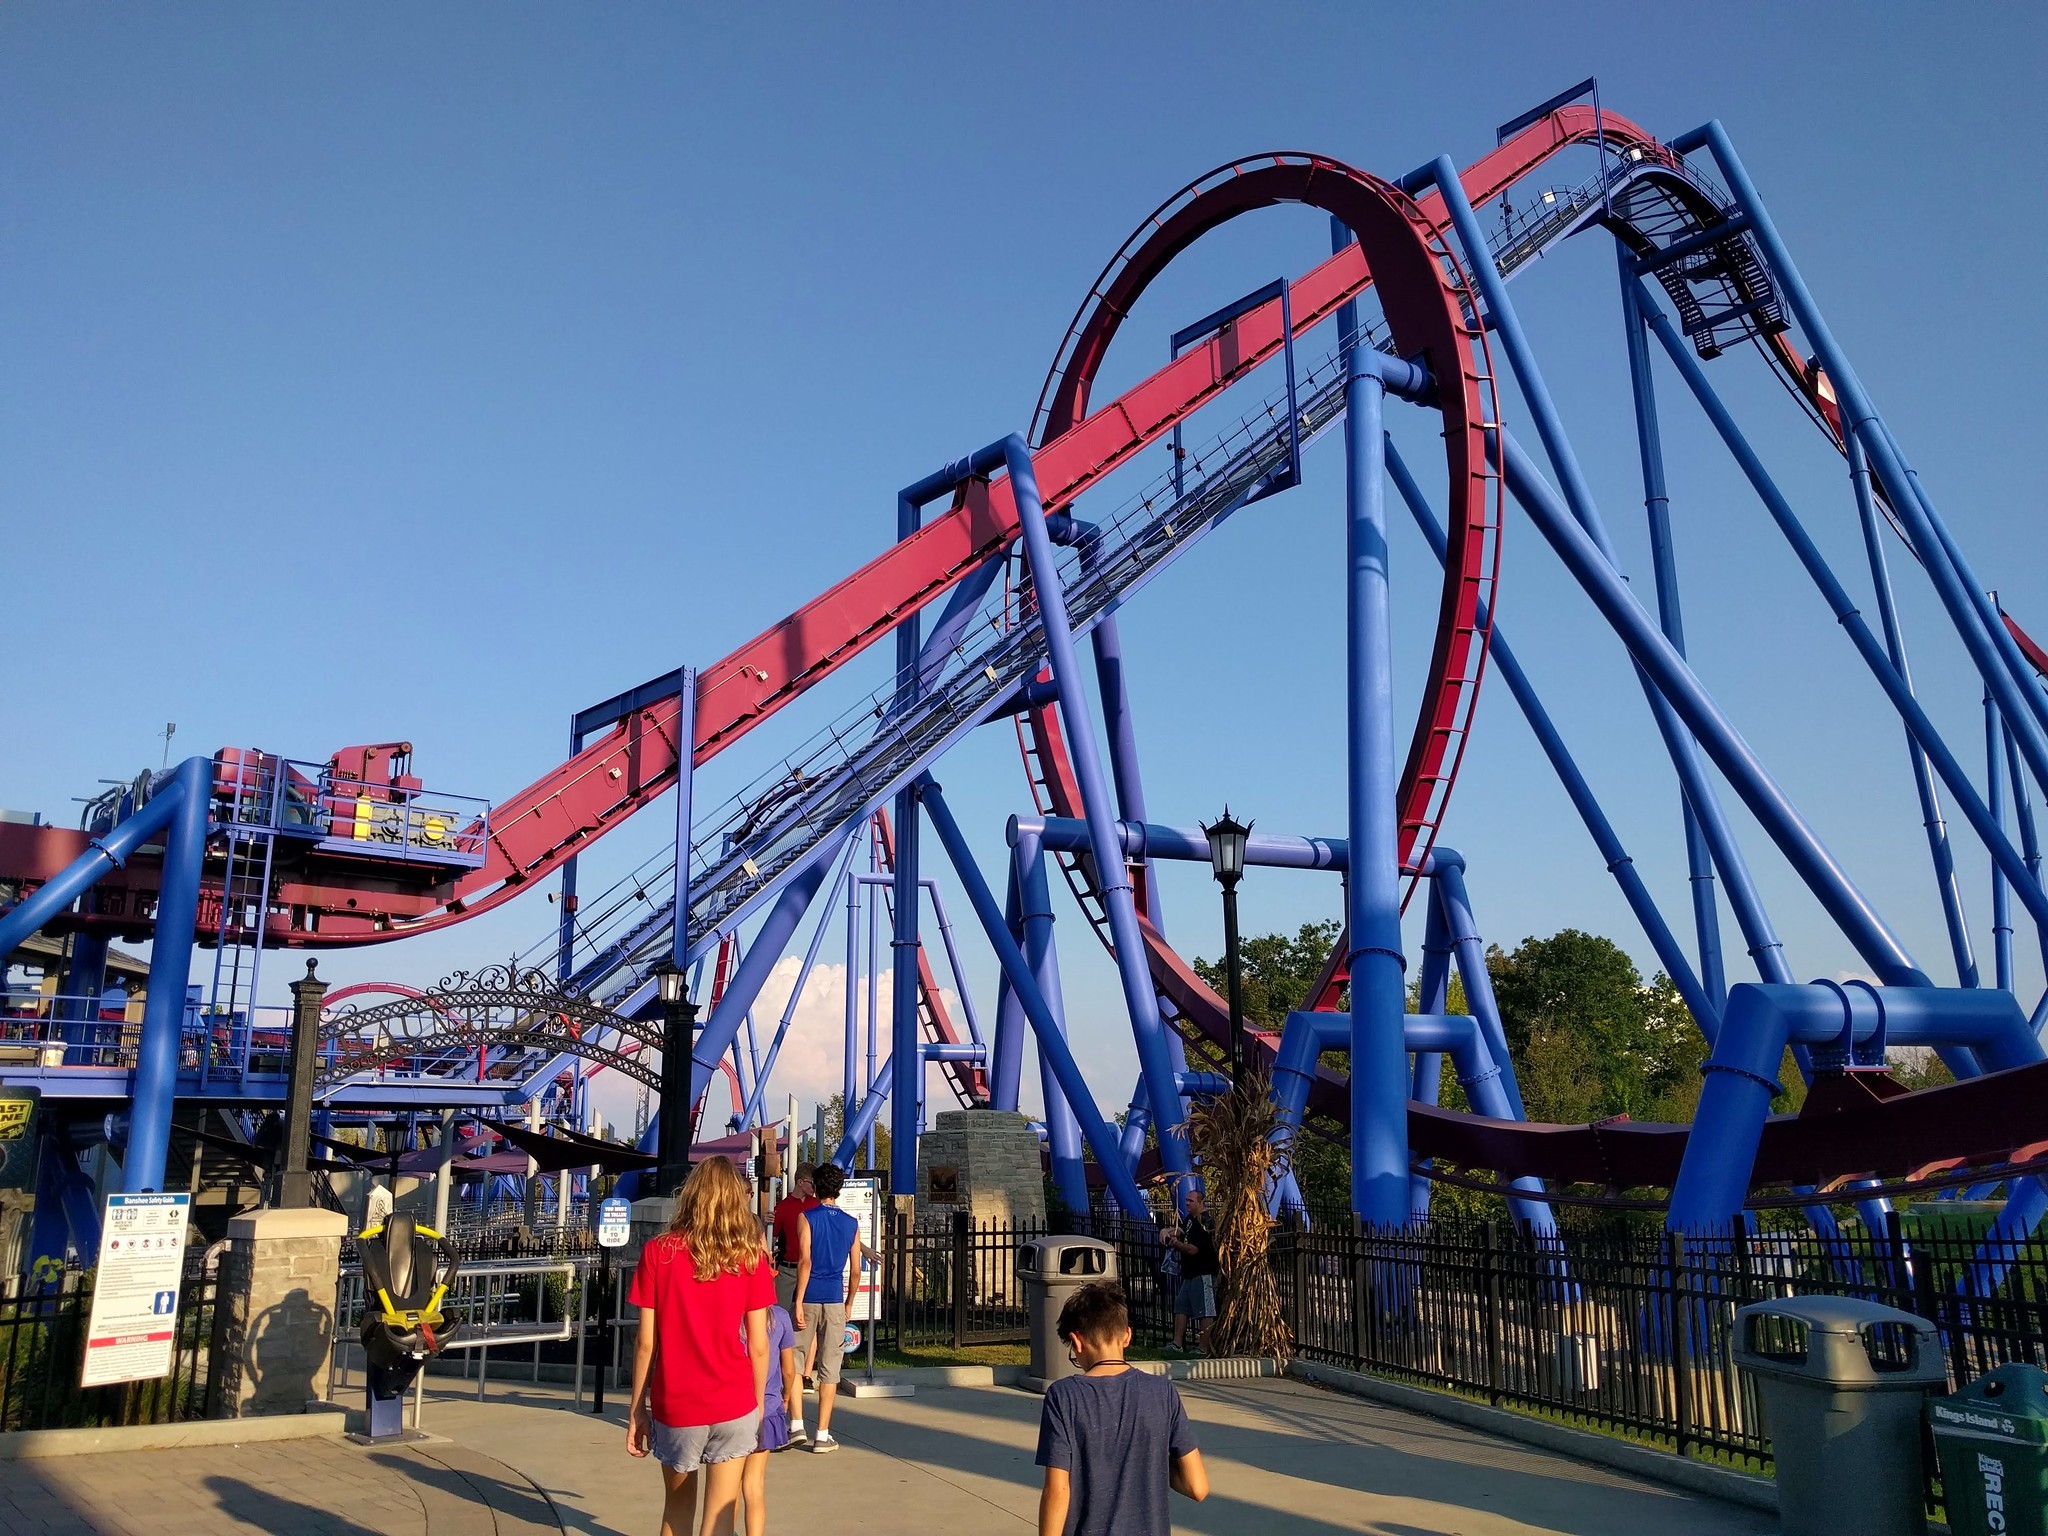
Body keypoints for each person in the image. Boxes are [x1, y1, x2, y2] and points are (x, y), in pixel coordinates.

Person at [627, 1158, 774, 1536]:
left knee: (676, 1511)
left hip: (678, 1401)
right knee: (722, 1515)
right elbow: (759, 1344)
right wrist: (757, 1405)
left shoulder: (659, 1253)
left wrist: (637, 1409)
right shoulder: (750, 1258)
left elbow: (646, 1343)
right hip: (734, 1398)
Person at [1036, 1280, 1208, 1536]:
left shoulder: (1064, 1396)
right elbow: (1198, 1487)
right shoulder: (1162, 1392)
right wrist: (1152, 1464)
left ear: (1077, 1342)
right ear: (1127, 1335)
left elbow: (1057, 1491)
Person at [793, 1162, 863, 1454]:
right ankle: (822, 1433)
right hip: (835, 1298)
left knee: (797, 1360)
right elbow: (856, 1269)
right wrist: (849, 1302)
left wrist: (797, 1299)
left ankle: (796, 1424)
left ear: (816, 1187)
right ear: (839, 1188)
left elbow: (804, 1261)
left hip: (809, 1295)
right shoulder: (850, 1223)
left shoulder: (806, 1217)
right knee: (830, 1367)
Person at [738, 1288, 800, 1536]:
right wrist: (786, 1395)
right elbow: (788, 1369)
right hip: (769, 1404)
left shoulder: (733, 1318)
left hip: (733, 1407)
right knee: (754, 1484)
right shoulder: (780, 1317)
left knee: (728, 1487)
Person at [769, 1164, 820, 1394]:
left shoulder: (816, 1205)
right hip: (788, 1268)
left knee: (808, 1319)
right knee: (779, 1317)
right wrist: (766, 1221)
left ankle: (806, 1373)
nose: (814, 1187)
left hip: (809, 1270)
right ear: (800, 1182)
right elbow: (770, 1236)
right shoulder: (784, 1207)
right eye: (811, 1183)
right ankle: (779, 1369)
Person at [1165, 1187, 1218, 1354]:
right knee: (1181, 1307)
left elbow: (1193, 1249)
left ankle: (1203, 1347)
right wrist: (1167, 1231)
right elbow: (1180, 1229)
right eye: (1186, 1200)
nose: (1187, 1203)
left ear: (1200, 1202)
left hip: (1203, 1273)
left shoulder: (1205, 1222)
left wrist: (1176, 1244)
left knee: (1205, 1311)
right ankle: (1177, 1344)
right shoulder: (1190, 1219)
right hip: (1189, 1273)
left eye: (1191, 1201)